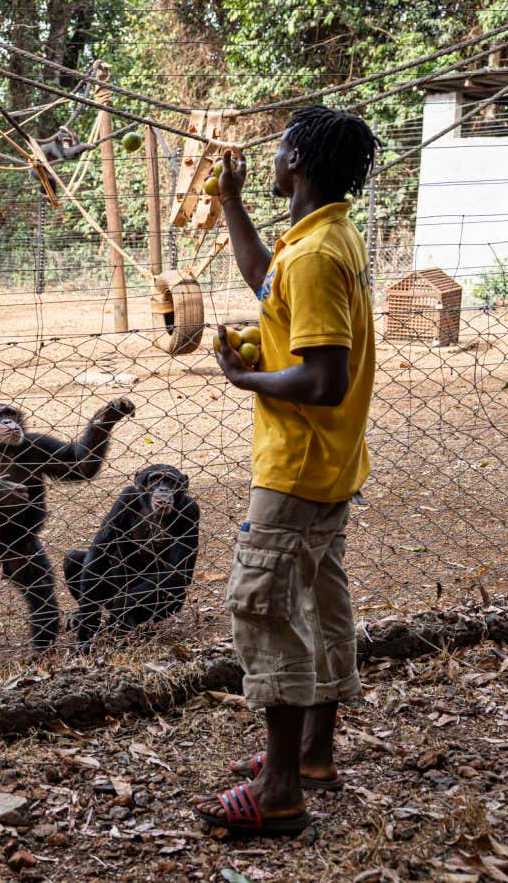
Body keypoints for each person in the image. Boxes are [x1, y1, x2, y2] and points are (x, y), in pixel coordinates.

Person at [193, 106, 380, 837]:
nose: (269, 160)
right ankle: (313, 754)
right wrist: (232, 200)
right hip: (333, 462)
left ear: (295, 159)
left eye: (275, 152)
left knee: (264, 606)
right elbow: (269, 283)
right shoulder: (327, 235)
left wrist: (249, 381)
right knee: (322, 600)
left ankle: (277, 794)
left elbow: (324, 380)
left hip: (298, 465)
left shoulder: (314, 255)